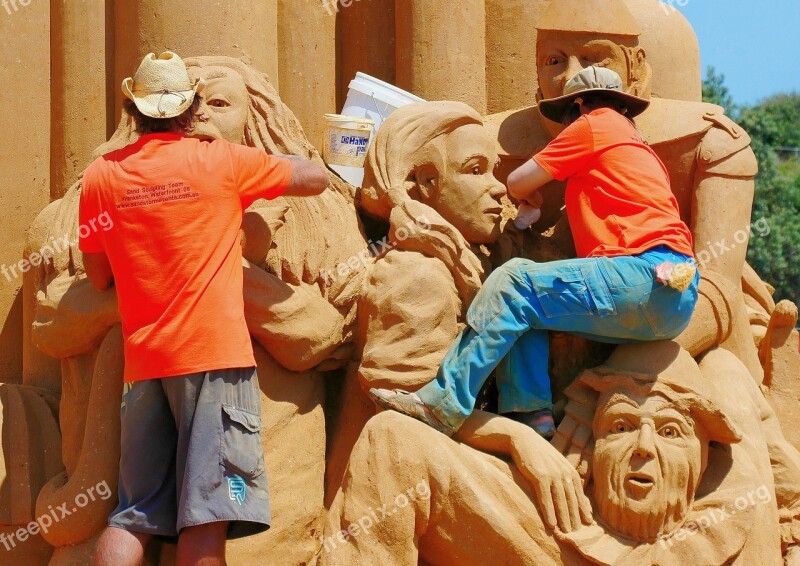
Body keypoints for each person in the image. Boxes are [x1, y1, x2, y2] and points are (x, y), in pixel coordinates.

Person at [81, 52, 329, 566]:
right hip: (214, 363)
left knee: (133, 515)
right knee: (212, 511)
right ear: (189, 110)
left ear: (133, 108)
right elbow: (314, 179)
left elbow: (98, 274)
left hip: (144, 366)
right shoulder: (221, 161)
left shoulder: (102, 176)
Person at [371, 66, 699, 438]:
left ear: (578, 105)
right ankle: (531, 418)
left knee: (513, 281)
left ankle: (442, 403)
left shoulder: (595, 122)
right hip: (675, 297)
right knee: (528, 309)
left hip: (642, 277)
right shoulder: (636, 146)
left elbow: (516, 180)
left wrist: (527, 196)